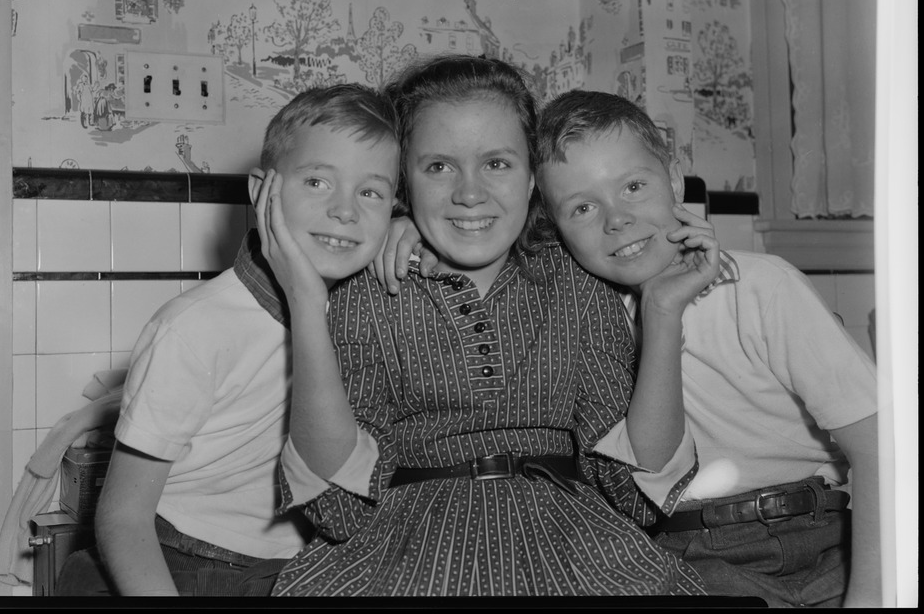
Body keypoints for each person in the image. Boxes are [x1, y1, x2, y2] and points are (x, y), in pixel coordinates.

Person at [255, 55, 710, 597]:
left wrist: (661, 314)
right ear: (405, 181)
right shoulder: (368, 292)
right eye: (439, 167)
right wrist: (307, 303)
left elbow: (638, 492)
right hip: (404, 556)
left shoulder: (577, 282)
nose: (469, 193)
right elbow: (338, 508)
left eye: (496, 163)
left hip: (578, 550)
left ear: (532, 179)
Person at [534, 90, 881, 608]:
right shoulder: (586, 320)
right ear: (555, 230)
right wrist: (661, 311)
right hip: (690, 555)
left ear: (673, 182)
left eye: (633, 186)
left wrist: (870, 600)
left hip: (828, 537)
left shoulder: (763, 286)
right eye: (582, 207)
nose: (616, 219)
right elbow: (649, 474)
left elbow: (878, 447)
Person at [91, 84, 402, 596]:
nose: (346, 211)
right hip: (189, 563)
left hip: (303, 566)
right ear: (261, 191)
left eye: (370, 192)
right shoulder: (195, 327)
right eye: (318, 182)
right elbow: (122, 517)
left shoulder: (362, 305)